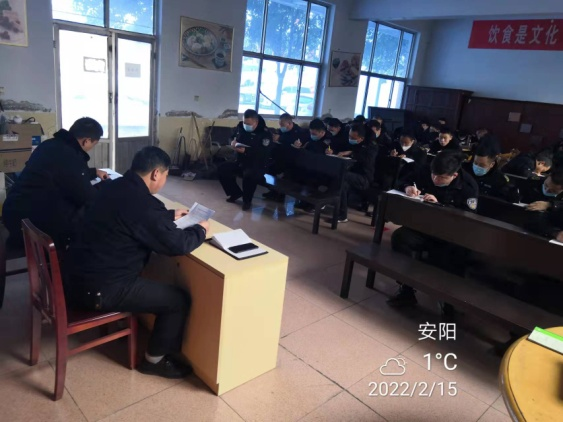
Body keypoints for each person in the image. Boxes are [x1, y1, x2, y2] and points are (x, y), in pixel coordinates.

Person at [67, 146, 209, 379]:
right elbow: (177, 245)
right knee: (177, 300)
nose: (164, 180)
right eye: (165, 175)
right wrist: (200, 230)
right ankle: (154, 361)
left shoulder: (112, 186)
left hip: (76, 275)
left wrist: (167, 215)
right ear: (156, 173)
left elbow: (129, 217)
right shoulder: (143, 204)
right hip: (100, 289)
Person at [388, 150, 479, 307]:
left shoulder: (468, 186)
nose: (435, 179)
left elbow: (467, 219)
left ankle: (448, 300)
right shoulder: (426, 170)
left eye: (442, 177)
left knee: (451, 255)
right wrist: (407, 187)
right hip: (423, 227)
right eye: (434, 175)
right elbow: (402, 180)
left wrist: (441, 206)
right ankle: (406, 288)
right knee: (400, 238)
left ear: (454, 175)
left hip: (451, 235)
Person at [2, 117, 107, 251]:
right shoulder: (70, 155)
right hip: (35, 223)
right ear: (86, 141)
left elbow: (61, 172)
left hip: (15, 213)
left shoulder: (49, 145)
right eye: (94, 144)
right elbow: (86, 197)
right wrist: (105, 188)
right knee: (91, 213)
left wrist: (93, 172)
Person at [218, 109, 273, 211]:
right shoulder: (241, 127)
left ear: (256, 122)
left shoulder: (265, 133)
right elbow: (232, 137)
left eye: (248, 124)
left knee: (249, 175)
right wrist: (232, 142)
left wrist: (246, 151)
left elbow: (264, 153)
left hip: (257, 165)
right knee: (222, 169)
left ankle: (247, 201)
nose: (246, 125)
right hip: (240, 161)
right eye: (244, 122)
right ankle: (235, 193)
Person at [337, 123, 378, 223]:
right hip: (353, 174)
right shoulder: (354, 144)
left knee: (342, 176)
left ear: (361, 138)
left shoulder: (371, 147)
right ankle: (342, 214)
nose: (350, 139)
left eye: (353, 138)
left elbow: (366, 160)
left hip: (364, 178)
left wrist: (352, 153)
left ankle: (342, 213)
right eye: (349, 136)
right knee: (342, 183)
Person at [263, 113, 302, 201]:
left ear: (289, 123)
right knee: (268, 169)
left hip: (292, 160)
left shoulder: (298, 131)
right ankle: (273, 191)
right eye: (280, 125)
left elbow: (293, 142)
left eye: (282, 125)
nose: (281, 127)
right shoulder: (282, 131)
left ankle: (280, 195)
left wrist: (280, 139)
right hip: (280, 158)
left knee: (287, 176)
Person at [525, 170, 563, 241]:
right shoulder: (533, 181)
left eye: (553, 191)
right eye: (546, 185)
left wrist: (550, 204)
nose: (547, 190)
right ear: (548, 176)